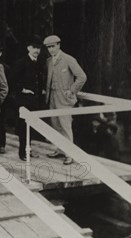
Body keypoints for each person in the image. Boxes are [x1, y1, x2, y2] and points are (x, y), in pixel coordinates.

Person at [43, 35, 87, 165]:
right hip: (52, 98)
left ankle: (69, 154)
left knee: (65, 126)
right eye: (48, 47)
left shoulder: (68, 59)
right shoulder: (48, 61)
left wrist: (72, 90)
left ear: (58, 45)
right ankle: (60, 149)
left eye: (53, 46)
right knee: (55, 124)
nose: (51, 49)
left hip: (64, 99)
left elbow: (82, 77)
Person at [10, 36, 46, 161]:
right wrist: (22, 89)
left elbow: (40, 80)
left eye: (38, 48)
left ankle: (28, 149)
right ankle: (22, 152)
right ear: (28, 48)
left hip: (35, 100)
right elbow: (12, 80)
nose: (36, 50)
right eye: (34, 47)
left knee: (31, 126)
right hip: (24, 100)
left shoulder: (40, 63)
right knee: (23, 126)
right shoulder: (21, 62)